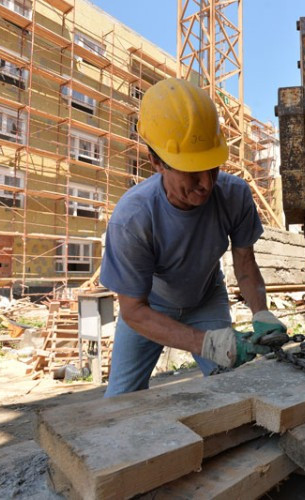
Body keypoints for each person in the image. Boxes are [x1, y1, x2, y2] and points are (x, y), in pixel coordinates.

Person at [100, 78, 286, 397]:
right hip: (150, 309)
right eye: (191, 170)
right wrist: (206, 343)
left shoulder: (235, 195)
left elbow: (244, 264)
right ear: (156, 162)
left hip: (206, 298)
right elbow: (132, 311)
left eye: (212, 167)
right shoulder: (133, 218)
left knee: (231, 389)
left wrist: (261, 313)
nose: (206, 183)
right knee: (121, 400)